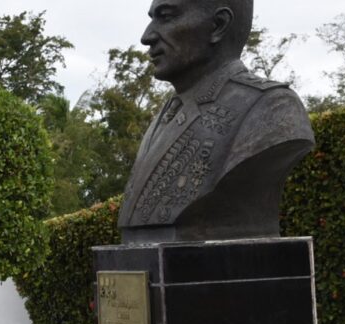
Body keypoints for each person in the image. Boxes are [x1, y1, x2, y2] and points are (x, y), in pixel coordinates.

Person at [117, 0, 314, 244]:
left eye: (166, 17)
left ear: (218, 25)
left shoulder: (272, 109)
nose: (146, 37)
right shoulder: (165, 115)